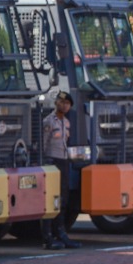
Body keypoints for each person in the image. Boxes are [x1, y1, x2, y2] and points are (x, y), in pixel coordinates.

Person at [41, 92, 82, 249]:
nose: (64, 105)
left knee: (63, 199)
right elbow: (44, 144)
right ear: (56, 102)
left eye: (67, 103)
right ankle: (47, 237)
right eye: (61, 101)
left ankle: (61, 233)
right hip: (52, 161)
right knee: (50, 199)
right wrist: (45, 162)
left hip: (64, 161)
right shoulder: (49, 121)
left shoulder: (66, 122)